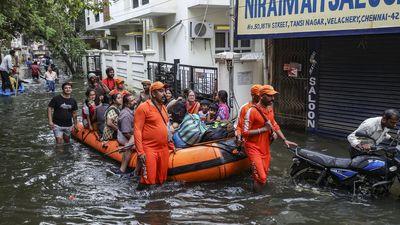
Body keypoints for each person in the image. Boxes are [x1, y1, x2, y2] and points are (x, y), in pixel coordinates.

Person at [242, 85, 297, 192]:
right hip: (253, 148)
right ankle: (257, 203)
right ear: (261, 96)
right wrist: (263, 129)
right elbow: (245, 132)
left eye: (273, 96)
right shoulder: (251, 111)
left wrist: (284, 139)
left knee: (263, 176)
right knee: (261, 178)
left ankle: (256, 197)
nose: (273, 98)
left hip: (265, 148)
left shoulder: (270, 110)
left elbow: (274, 125)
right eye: (270, 96)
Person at [134, 81, 172, 185]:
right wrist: (140, 152)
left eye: (164, 91)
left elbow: (167, 127)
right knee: (149, 182)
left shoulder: (164, 108)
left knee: (162, 181)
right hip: (149, 149)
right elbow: (137, 130)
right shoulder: (143, 108)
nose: (164, 93)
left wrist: (171, 144)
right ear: (153, 94)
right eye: (160, 91)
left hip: (163, 149)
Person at [110, 94, 136, 175]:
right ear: (127, 104)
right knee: (131, 145)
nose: (135, 102)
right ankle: (122, 170)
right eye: (132, 101)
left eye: (134, 99)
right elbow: (126, 133)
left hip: (130, 134)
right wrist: (135, 140)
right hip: (125, 137)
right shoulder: (126, 115)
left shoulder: (129, 110)